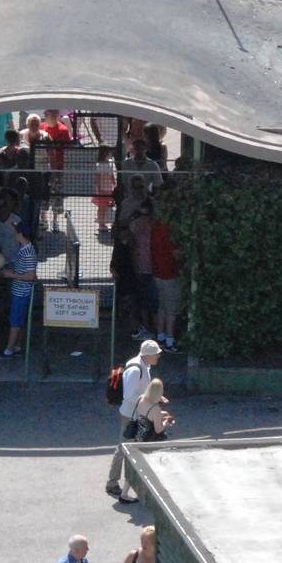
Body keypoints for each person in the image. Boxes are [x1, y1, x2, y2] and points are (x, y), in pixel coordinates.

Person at [109, 338, 162, 501]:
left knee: (127, 447)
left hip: (136, 414)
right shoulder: (135, 369)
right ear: (148, 355)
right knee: (124, 448)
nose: (158, 357)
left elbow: (141, 391)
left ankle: (118, 483)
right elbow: (129, 396)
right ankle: (112, 483)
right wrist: (150, 401)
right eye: (156, 354)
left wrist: (155, 397)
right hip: (130, 415)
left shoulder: (144, 365)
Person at [0, 225, 37, 359]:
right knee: (19, 320)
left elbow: (31, 276)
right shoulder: (24, 249)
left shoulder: (28, 252)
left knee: (15, 321)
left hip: (22, 293)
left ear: (21, 234)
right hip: (18, 291)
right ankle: (17, 346)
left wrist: (11, 275)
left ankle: (8, 350)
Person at [150, 209, 182, 353]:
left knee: (161, 307)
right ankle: (170, 340)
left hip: (157, 272)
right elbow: (176, 254)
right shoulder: (172, 231)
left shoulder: (156, 227)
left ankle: (161, 336)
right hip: (170, 273)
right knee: (171, 309)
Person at [129, 206, 157, 341]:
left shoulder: (134, 224)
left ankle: (144, 327)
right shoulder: (153, 224)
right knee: (150, 301)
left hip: (140, 266)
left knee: (141, 300)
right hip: (150, 267)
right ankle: (149, 328)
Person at [91, 145, 117, 236]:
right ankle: (101, 224)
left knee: (106, 207)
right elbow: (97, 178)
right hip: (102, 189)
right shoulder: (100, 165)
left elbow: (112, 175)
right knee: (101, 208)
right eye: (109, 152)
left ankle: (104, 223)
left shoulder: (110, 162)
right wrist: (98, 190)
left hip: (109, 189)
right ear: (105, 153)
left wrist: (114, 184)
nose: (111, 153)